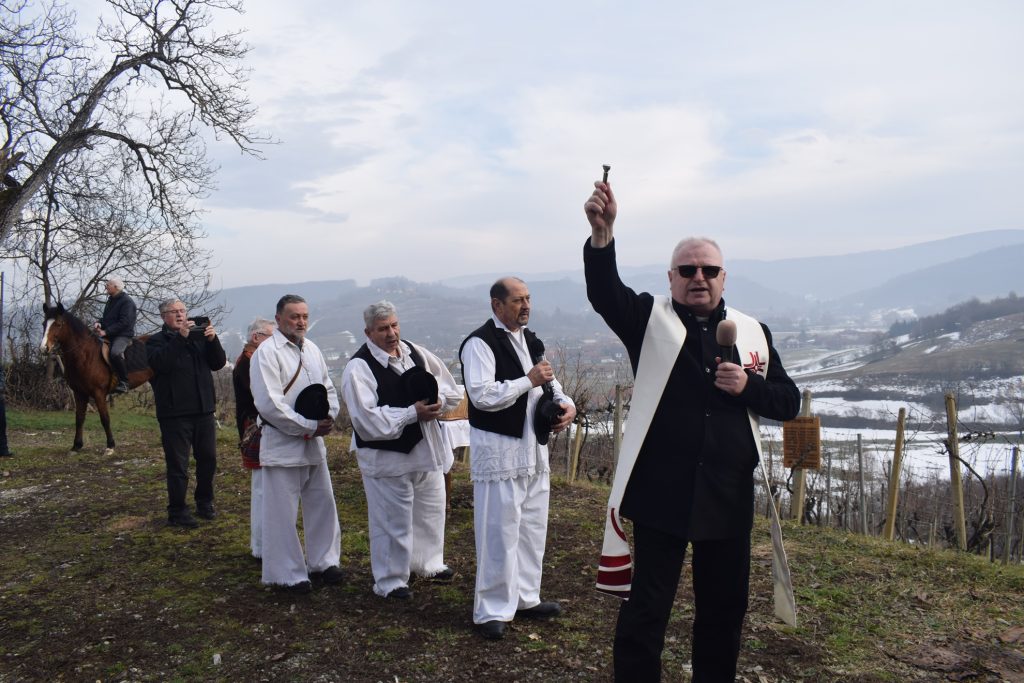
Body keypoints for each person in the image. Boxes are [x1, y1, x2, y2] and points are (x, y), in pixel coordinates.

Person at [583, 178, 801, 681]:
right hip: (662, 493)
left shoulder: (753, 333)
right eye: (687, 270)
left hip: (727, 496)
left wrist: (747, 386)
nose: (698, 278)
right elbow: (604, 293)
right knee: (646, 611)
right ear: (671, 277)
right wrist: (603, 235)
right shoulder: (648, 318)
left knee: (723, 613)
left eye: (708, 270)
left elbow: (788, 402)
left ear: (724, 278)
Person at [459, 277, 577, 640]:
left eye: (528, 299)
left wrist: (567, 405)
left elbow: (550, 385)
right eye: (517, 300)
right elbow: (481, 396)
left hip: (533, 450)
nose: (526, 306)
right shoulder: (479, 343)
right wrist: (527, 380)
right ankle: (492, 609)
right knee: (499, 531)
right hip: (500, 451)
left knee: (531, 529)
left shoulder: (531, 339)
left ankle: (526, 597)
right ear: (497, 305)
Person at [341, 300, 463, 599]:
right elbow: (365, 420)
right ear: (368, 333)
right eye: (383, 329)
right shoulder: (358, 368)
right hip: (387, 459)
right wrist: (411, 413)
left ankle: (428, 563)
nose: (392, 333)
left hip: (426, 450)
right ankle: (391, 579)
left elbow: (449, 388)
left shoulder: (415, 353)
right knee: (391, 521)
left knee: (430, 511)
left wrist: (437, 402)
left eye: (394, 325)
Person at [250, 294, 343, 593]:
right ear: (279, 319)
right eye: (294, 316)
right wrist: (307, 426)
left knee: (322, 503)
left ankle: (324, 562)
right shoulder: (267, 353)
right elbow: (269, 404)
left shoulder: (312, 349)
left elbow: (327, 388)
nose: (301, 322)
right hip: (282, 441)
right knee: (281, 512)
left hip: (314, 443)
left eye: (304, 316)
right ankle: (286, 573)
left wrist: (329, 416)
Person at [146, 298, 227, 529]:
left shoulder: (198, 338)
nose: (180, 315)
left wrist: (212, 340)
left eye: (182, 310)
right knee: (178, 465)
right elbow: (162, 364)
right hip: (175, 414)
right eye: (174, 312)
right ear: (164, 316)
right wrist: (181, 338)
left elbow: (218, 363)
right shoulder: (155, 341)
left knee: (208, 460)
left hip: (203, 410)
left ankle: (205, 502)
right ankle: (177, 511)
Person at [232, 317, 276, 561]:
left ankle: (264, 544)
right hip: (255, 429)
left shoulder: (251, 359)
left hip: (257, 426)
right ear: (256, 337)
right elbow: (262, 397)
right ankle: (260, 547)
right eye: (271, 336)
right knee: (261, 490)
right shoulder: (249, 362)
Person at [94, 277, 138, 395]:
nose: (106, 287)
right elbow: (107, 318)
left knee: (115, 353)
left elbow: (125, 322)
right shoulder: (111, 300)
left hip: (123, 335)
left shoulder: (127, 302)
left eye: (108, 285)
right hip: (110, 334)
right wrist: (99, 322)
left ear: (116, 287)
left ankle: (124, 382)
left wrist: (106, 332)